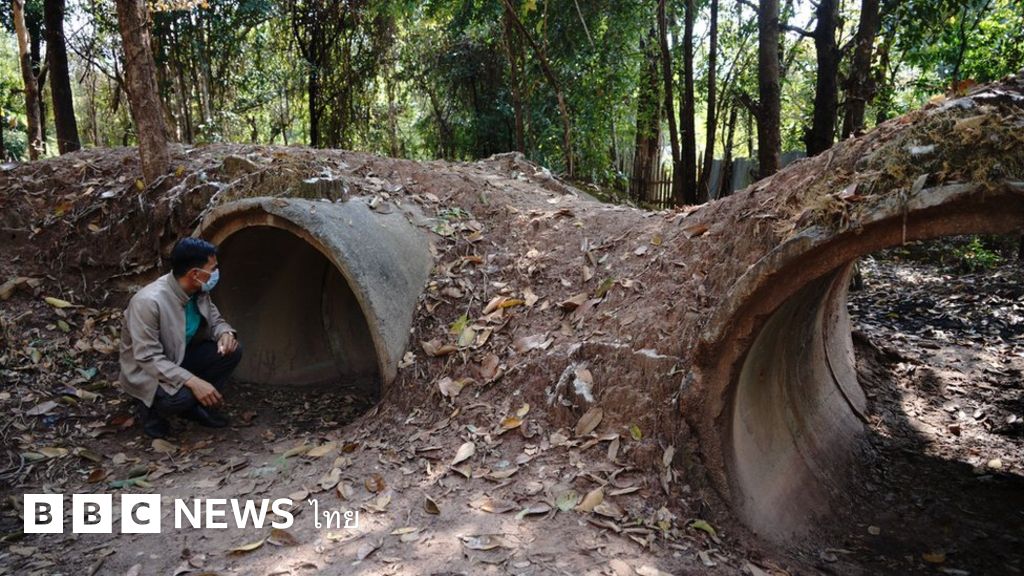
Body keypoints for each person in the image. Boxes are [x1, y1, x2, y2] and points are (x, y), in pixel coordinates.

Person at [118, 237, 242, 438]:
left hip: (179, 356)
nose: (215, 273)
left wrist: (225, 333)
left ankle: (198, 406)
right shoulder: (149, 302)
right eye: (213, 268)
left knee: (233, 351)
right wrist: (193, 381)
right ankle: (151, 411)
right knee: (179, 398)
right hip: (148, 371)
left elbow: (215, 320)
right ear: (195, 273)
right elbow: (148, 358)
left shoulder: (198, 290)